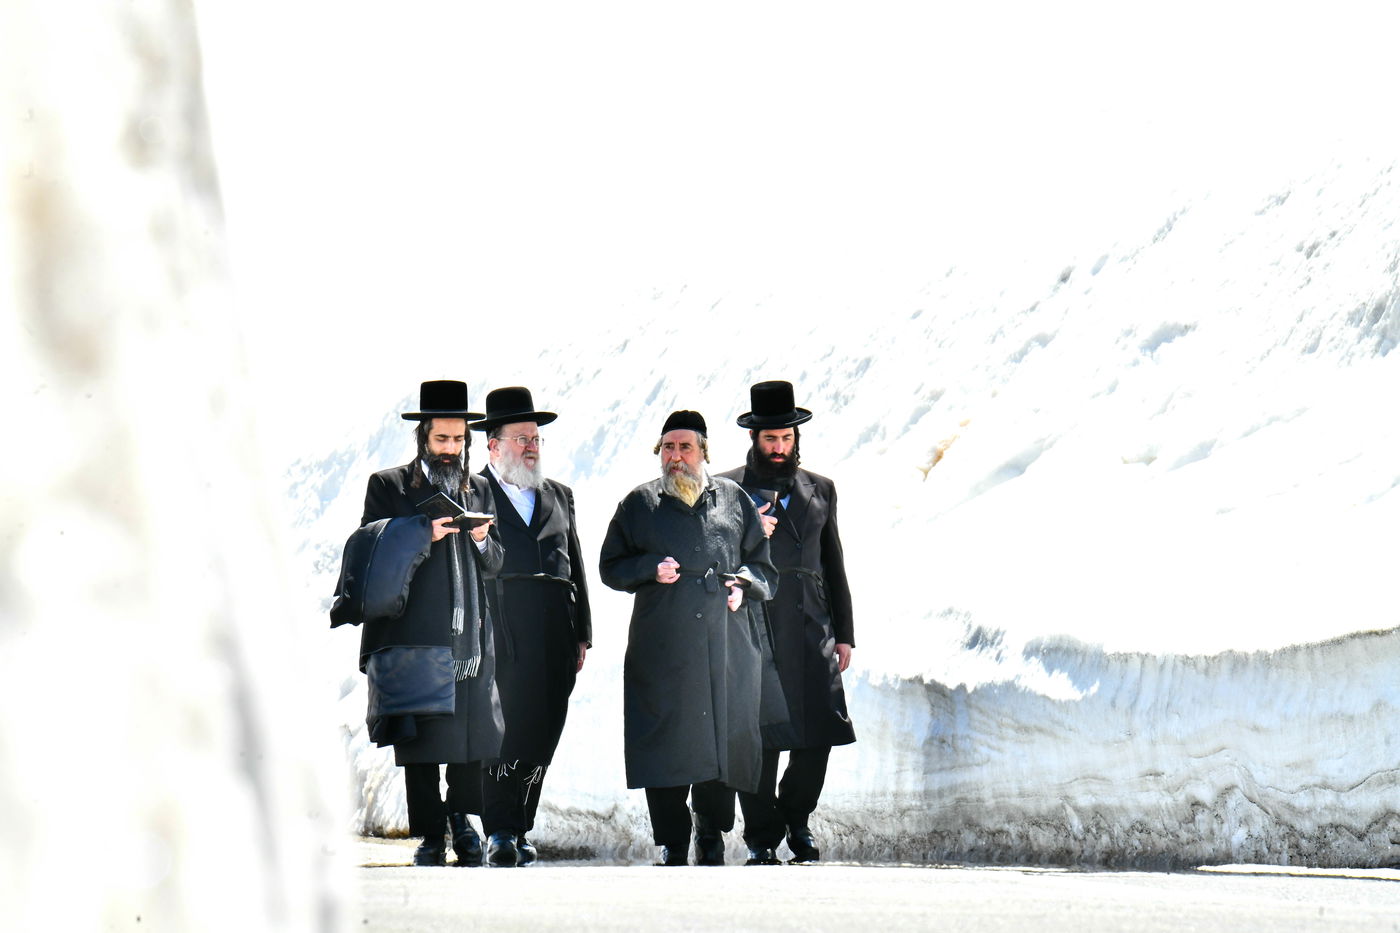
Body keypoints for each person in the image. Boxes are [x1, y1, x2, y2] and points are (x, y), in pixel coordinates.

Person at [331, 380, 505, 867]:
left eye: (457, 441)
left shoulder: (482, 488)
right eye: (441, 440)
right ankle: (431, 835)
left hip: (468, 637)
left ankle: (461, 821)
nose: (450, 451)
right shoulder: (389, 486)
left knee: (473, 737)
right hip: (413, 637)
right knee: (422, 741)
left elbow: (495, 563)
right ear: (423, 437)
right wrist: (421, 532)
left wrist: (481, 541)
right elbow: (370, 547)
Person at [599, 410, 776, 866]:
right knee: (665, 741)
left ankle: (711, 833)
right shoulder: (639, 504)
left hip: (725, 642)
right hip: (663, 645)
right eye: (668, 448)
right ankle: (672, 841)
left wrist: (744, 584)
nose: (676, 456)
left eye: (685, 447)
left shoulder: (733, 500)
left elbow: (763, 566)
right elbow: (610, 566)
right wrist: (647, 569)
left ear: (704, 453)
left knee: (722, 739)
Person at [718, 380, 856, 865]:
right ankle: (760, 834)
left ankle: (796, 817)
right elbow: (715, 558)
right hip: (754, 625)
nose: (779, 449)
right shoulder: (728, 488)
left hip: (812, 624)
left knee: (818, 731)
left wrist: (845, 633)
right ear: (754, 438)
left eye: (786, 439)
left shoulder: (821, 488)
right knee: (758, 735)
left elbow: (833, 562)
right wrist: (748, 528)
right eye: (770, 440)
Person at [470, 386, 592, 867]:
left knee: (543, 731)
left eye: (535, 438)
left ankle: (520, 824)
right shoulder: (471, 493)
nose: (531, 446)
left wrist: (582, 631)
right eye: (521, 438)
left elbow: (575, 565)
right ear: (493, 445)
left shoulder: (560, 494)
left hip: (555, 630)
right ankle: (498, 828)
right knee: (504, 731)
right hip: (501, 625)